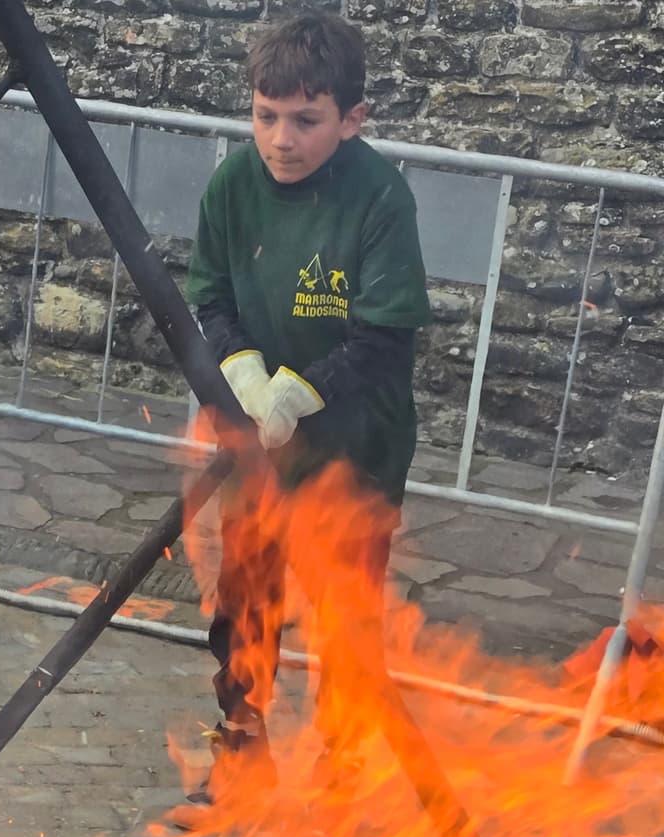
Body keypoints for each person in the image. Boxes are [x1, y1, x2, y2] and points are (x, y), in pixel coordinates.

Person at [185, 12, 430, 789]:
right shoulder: (232, 184)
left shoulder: (381, 198)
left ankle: (342, 768)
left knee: (347, 622)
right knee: (245, 600)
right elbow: (212, 297)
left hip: (355, 450)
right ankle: (241, 741)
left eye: (305, 120)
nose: (280, 139)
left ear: (351, 120)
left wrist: (302, 390)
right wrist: (246, 372)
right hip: (259, 449)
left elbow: (385, 338)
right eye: (265, 116)